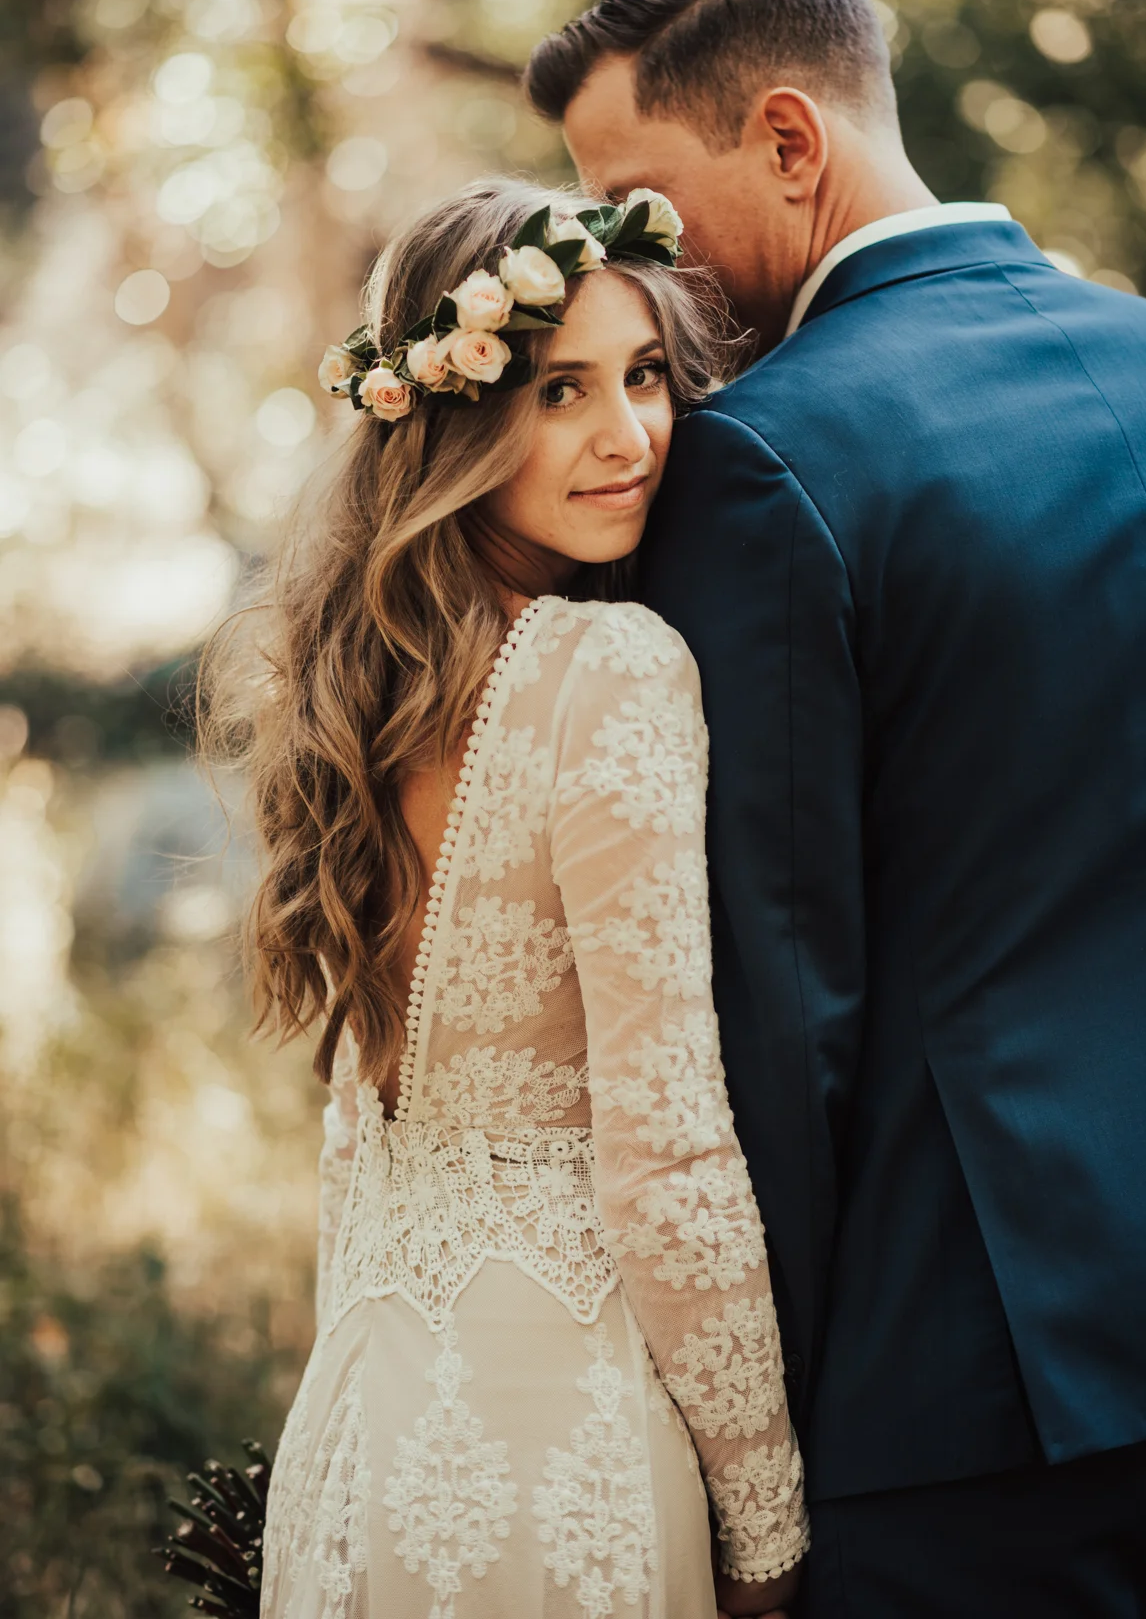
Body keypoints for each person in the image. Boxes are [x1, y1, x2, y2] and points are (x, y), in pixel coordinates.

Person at [526, 0, 1146, 1616]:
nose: (630, 264)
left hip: (966, 1386)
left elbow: (774, 996)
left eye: (641, 206)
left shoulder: (762, 461)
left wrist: (756, 1454)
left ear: (784, 139)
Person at [206, 177, 808, 1618]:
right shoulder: (612, 675)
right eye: (559, 393)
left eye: (649, 376)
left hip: (361, 1431)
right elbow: (664, 1157)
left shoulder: (349, 691)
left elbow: (354, 1150)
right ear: (460, 416)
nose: (630, 437)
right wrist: (766, 1519)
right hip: (562, 1440)